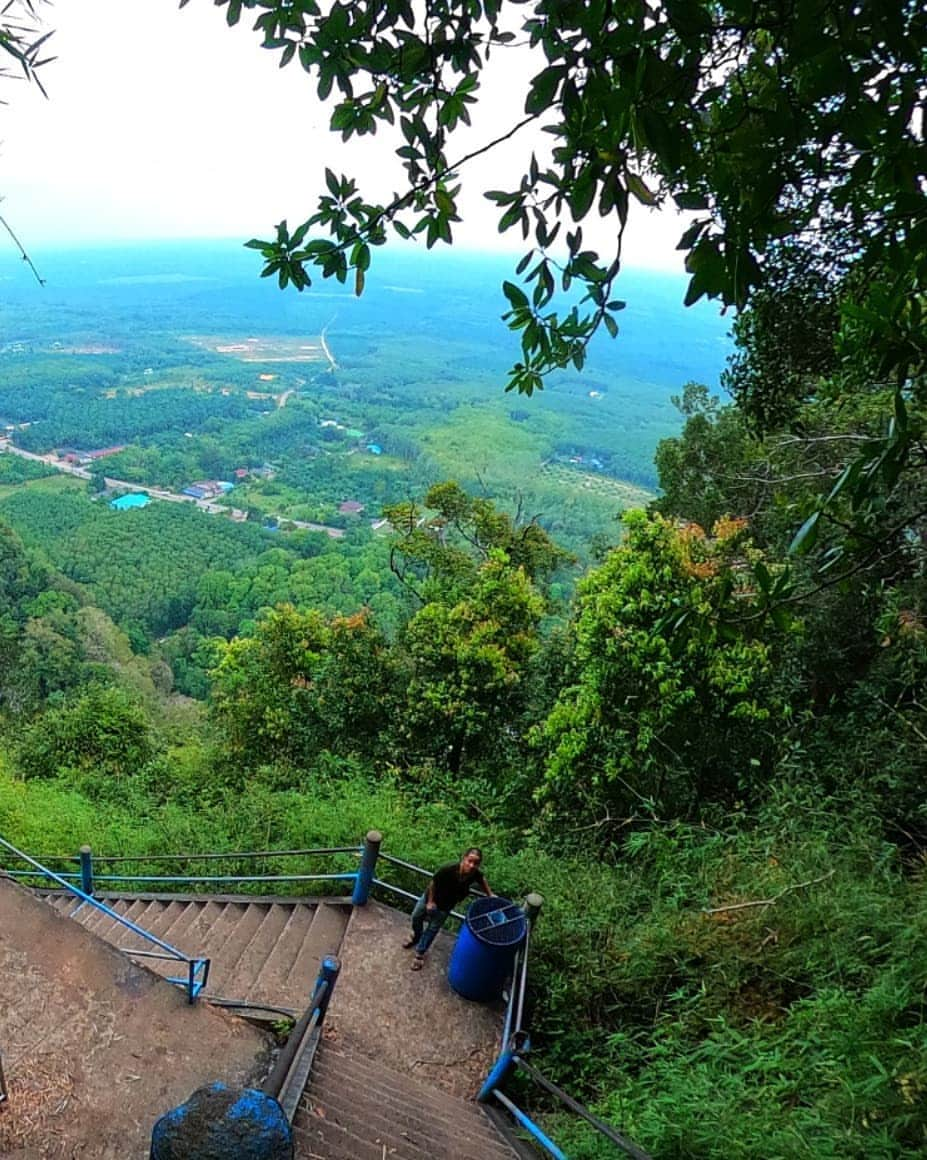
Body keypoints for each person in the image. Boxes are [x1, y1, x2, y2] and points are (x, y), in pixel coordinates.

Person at [404, 848, 492, 971]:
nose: (471, 866)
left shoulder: (474, 873)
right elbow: (433, 883)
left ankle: (420, 953)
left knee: (433, 929)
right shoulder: (449, 869)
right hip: (430, 898)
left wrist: (490, 894)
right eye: (469, 861)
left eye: (475, 863)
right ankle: (416, 935)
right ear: (464, 858)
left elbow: (482, 879)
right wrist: (430, 902)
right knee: (416, 917)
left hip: (446, 906)